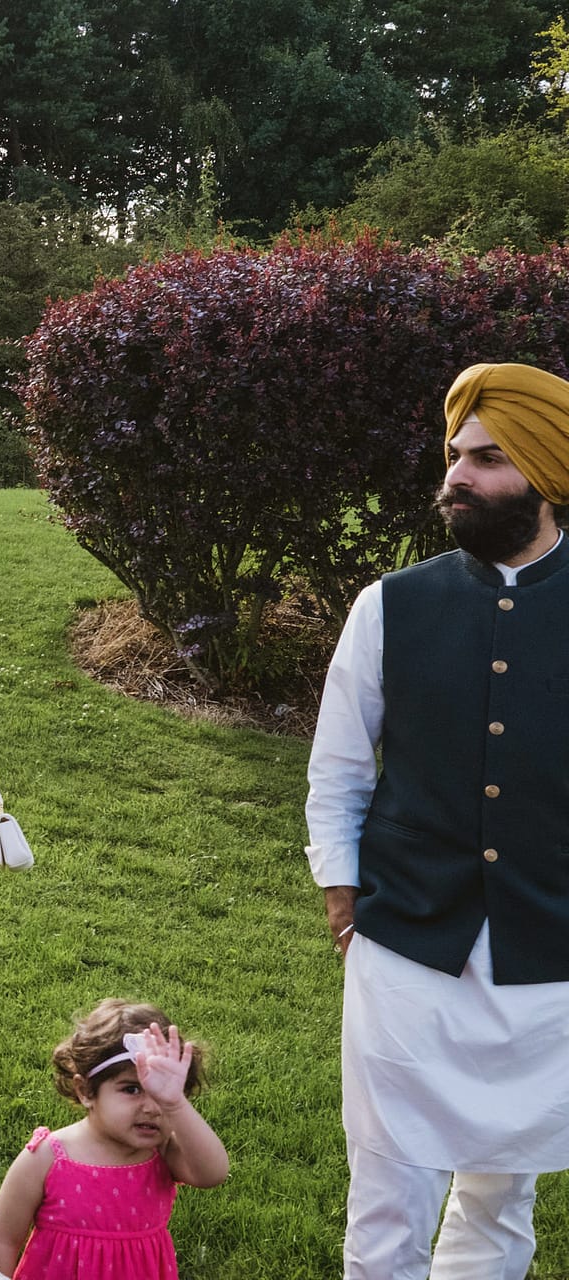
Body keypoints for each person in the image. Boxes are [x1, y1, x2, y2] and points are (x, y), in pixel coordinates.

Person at [306, 360, 569, 1279]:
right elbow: (339, 770)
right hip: (408, 938)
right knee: (388, 1195)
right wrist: (342, 895)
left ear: (546, 475)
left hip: (551, 952)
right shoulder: (390, 604)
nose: (457, 475)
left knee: (501, 1196)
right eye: (456, 455)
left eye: (488, 459)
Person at [0, 999, 229, 1279]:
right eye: (132, 1089)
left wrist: (175, 1105)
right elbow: (3, 1240)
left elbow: (213, 1174)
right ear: (86, 1090)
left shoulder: (163, 1151)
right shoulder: (46, 1157)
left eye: (164, 1092)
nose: (152, 1107)